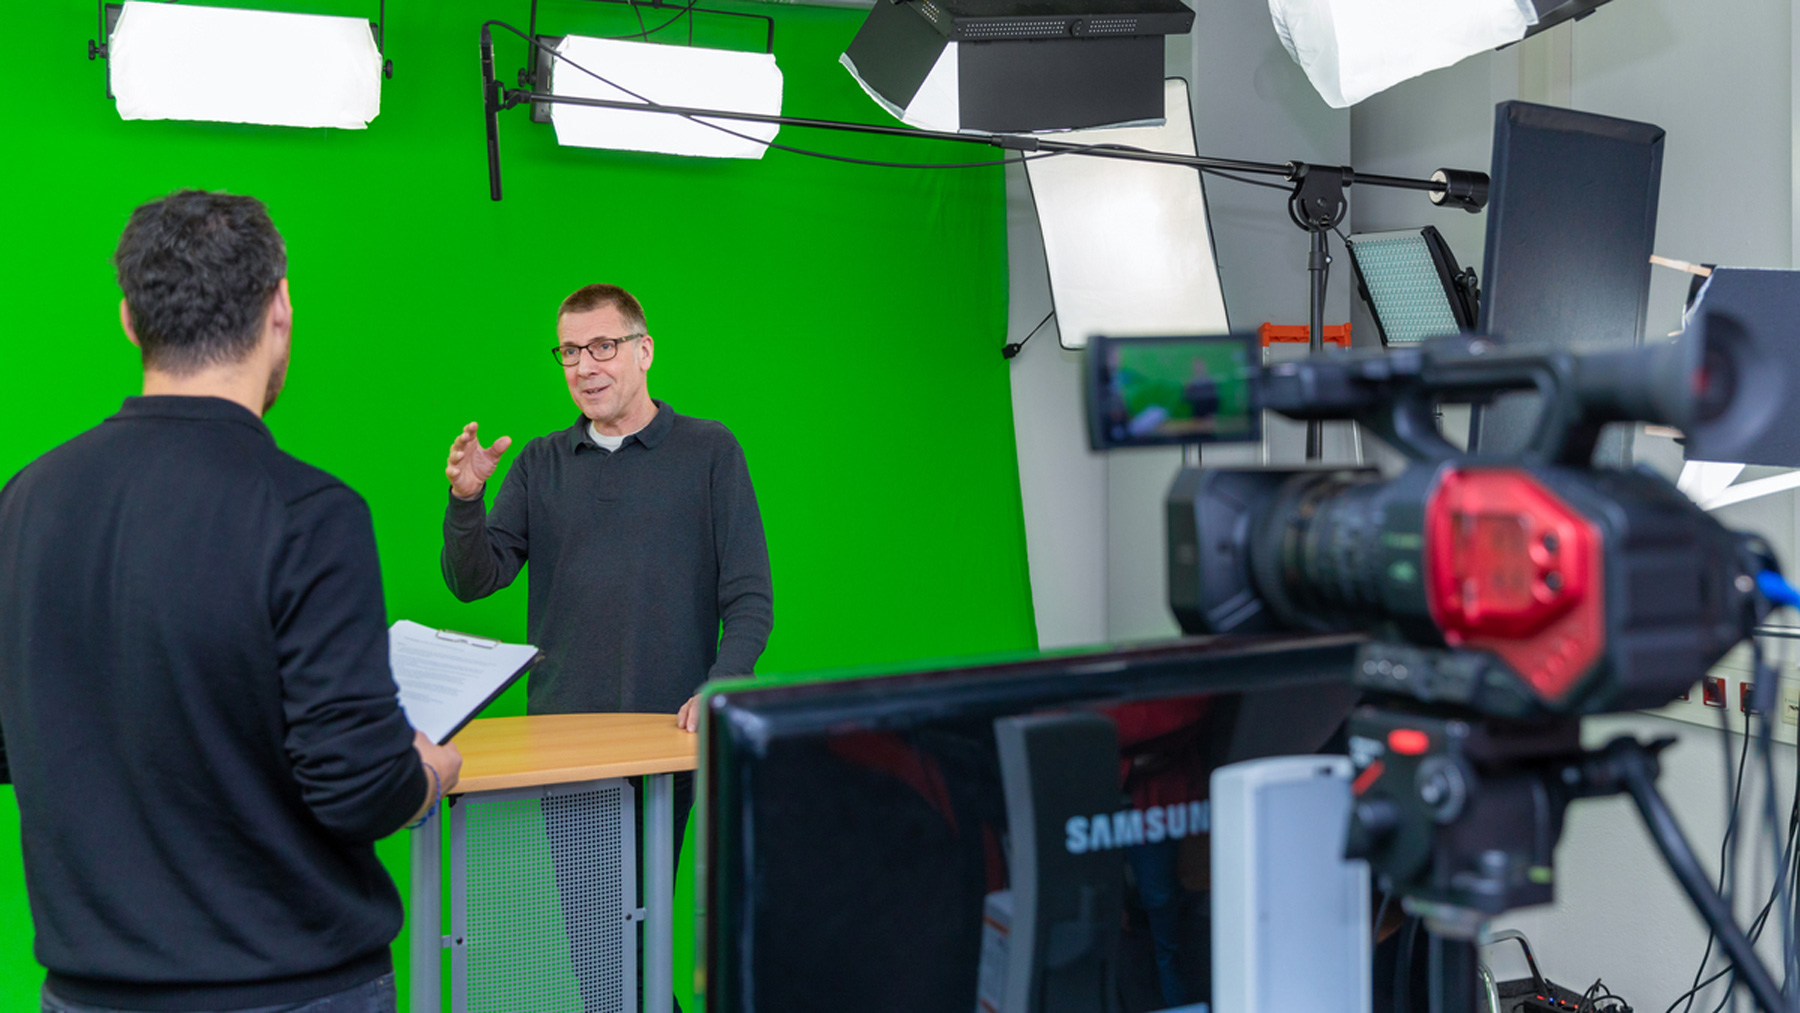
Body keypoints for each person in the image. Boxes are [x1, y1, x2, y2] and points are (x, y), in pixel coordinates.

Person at [0, 189, 463, 1013]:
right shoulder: (310, 514)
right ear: (280, 306)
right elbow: (358, 787)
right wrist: (425, 773)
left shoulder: (27, 501)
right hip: (290, 988)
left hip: (86, 993)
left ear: (130, 322)